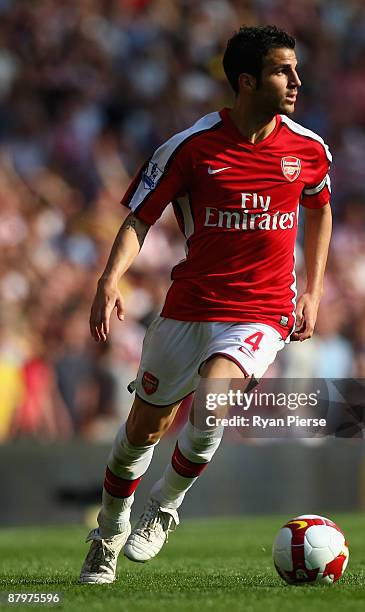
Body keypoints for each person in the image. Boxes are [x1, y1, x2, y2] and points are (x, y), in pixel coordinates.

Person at [80, 25, 332, 584]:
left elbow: (320, 208)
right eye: (281, 71)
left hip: (262, 310)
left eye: (295, 69)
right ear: (247, 81)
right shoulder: (190, 148)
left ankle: (165, 506)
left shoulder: (308, 148)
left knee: (214, 398)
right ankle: (109, 531)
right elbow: (138, 219)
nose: (296, 80)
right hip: (190, 306)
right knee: (141, 432)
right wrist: (108, 280)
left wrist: (312, 289)